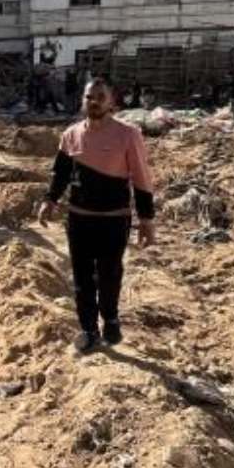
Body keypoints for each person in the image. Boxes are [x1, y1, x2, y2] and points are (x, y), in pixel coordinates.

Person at [35, 78, 157, 354]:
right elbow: (61, 173)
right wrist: (50, 200)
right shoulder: (71, 134)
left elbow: (141, 178)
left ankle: (110, 319)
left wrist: (146, 220)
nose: (94, 102)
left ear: (111, 102)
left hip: (114, 219)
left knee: (109, 274)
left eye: (100, 97)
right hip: (79, 218)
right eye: (89, 97)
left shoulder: (128, 135)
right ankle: (89, 330)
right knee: (82, 278)